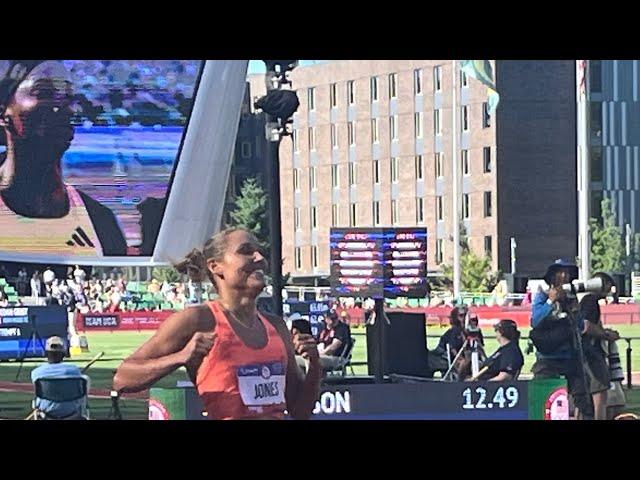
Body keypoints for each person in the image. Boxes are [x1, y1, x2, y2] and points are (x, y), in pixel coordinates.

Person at [113, 228, 322, 420]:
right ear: (216, 266)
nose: (259, 258)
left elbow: (299, 411)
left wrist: (314, 365)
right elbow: (122, 378)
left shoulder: (277, 327)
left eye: (259, 251)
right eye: (246, 251)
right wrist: (181, 357)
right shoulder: (198, 320)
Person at [0, 60, 126, 256]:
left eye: (68, 97)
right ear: (3, 112)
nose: (64, 108)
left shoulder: (101, 222)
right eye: (44, 94)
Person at [530, 259, 593, 419]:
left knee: (584, 397)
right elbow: (536, 321)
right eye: (560, 272)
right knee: (543, 396)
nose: (564, 275)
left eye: (567, 272)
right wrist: (551, 301)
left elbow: (579, 326)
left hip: (570, 356)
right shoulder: (543, 295)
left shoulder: (571, 297)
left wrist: (576, 312)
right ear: (552, 276)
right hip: (547, 358)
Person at [579, 272, 620, 420]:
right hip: (592, 355)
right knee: (599, 397)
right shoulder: (590, 301)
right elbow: (586, 326)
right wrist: (606, 335)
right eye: (608, 284)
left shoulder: (586, 300)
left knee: (584, 400)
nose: (609, 289)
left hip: (585, 353)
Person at [31, 336, 87, 419]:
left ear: (46, 353)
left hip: (47, 412)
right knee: (86, 378)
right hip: (71, 411)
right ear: (63, 354)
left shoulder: (36, 372)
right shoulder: (74, 370)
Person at [428, 305, 466, 376]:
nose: (463, 318)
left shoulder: (466, 331)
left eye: (465, 316)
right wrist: (460, 359)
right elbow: (452, 349)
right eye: (461, 316)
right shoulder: (454, 331)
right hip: (442, 356)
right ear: (455, 317)